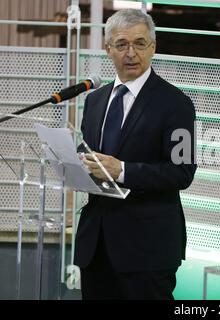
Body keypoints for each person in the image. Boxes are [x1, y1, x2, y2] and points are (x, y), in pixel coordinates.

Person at [74, 9, 196, 300]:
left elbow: (182, 171)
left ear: (153, 48)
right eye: (122, 44)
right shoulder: (94, 101)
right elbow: (95, 161)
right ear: (108, 49)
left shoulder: (176, 104)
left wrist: (123, 170)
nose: (131, 53)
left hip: (148, 251)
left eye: (140, 44)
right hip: (96, 246)